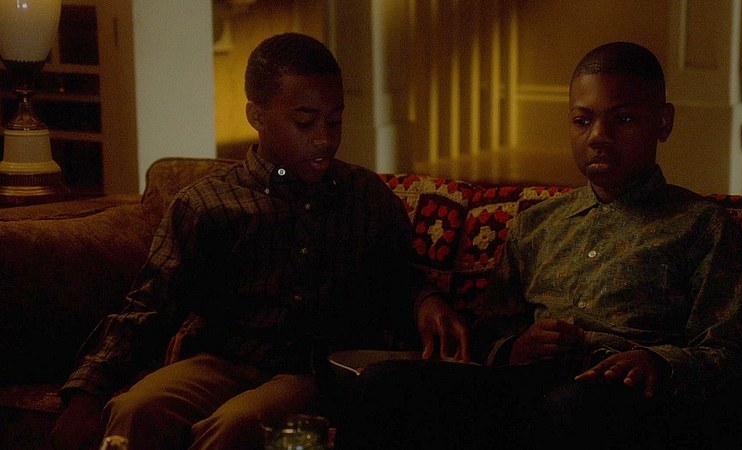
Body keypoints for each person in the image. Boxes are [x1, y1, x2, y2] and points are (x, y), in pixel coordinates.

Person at [48, 33, 467, 450]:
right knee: (135, 409)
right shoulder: (206, 204)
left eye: (335, 120)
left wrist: (426, 301)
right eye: (305, 122)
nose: (325, 138)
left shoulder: (364, 196)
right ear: (257, 115)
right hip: (220, 361)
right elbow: (149, 306)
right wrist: (86, 396)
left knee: (237, 425)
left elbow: (397, 279)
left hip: (307, 373)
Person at [341, 41, 742, 450]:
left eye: (623, 119)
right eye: (582, 120)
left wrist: (656, 361)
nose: (598, 136)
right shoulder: (537, 224)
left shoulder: (699, 224)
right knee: (381, 384)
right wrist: (516, 347)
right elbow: (489, 332)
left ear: (663, 122)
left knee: (572, 409)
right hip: (529, 385)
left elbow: (730, 352)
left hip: (623, 397)